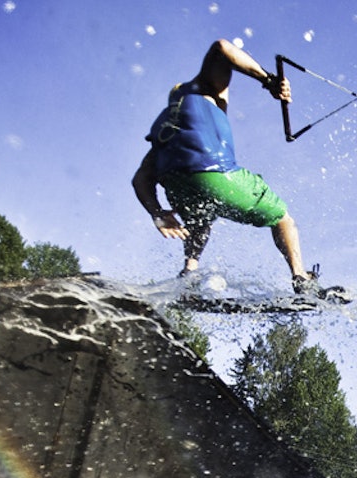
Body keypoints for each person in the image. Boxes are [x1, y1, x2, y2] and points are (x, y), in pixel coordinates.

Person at [133, 39, 323, 295]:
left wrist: (157, 213)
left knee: (199, 220)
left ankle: (189, 272)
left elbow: (140, 179)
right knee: (283, 218)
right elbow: (222, 47)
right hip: (214, 174)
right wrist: (268, 80)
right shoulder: (207, 89)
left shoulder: (167, 129)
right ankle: (300, 277)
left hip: (177, 185)